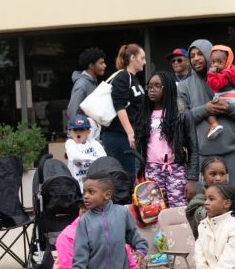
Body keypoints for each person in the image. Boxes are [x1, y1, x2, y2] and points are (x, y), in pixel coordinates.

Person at [135, 71, 199, 207]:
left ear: (168, 88)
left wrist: (192, 179)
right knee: (153, 212)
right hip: (151, 170)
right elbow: (138, 148)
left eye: (157, 86)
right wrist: (138, 175)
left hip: (176, 169)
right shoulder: (144, 115)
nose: (152, 90)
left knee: (179, 211)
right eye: (150, 87)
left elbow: (193, 147)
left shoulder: (182, 114)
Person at [179, 39, 235, 185]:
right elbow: (180, 119)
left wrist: (228, 108)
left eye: (200, 54)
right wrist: (205, 109)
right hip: (201, 157)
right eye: (192, 55)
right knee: (206, 203)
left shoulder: (231, 78)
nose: (196, 58)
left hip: (232, 153)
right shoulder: (184, 86)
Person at [100, 44, 146, 184]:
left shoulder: (133, 78)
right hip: (118, 135)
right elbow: (119, 106)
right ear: (133, 58)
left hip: (126, 135)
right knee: (125, 178)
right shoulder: (123, 76)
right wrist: (130, 133)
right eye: (142, 58)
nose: (144, 62)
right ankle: (123, 206)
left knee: (130, 176)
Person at [65, 115, 106, 191]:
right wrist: (95, 160)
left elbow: (104, 159)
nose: (78, 132)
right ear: (70, 132)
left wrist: (87, 160)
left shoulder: (94, 143)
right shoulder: (70, 143)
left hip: (95, 186)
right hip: (77, 187)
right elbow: (75, 156)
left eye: (81, 129)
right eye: (75, 130)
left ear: (88, 131)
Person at [67, 47, 107, 120]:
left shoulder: (93, 82)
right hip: (84, 129)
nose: (105, 65)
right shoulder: (82, 84)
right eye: (101, 63)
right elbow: (73, 111)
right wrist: (79, 128)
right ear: (91, 66)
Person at [205, 45, 235, 140]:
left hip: (225, 98)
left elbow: (216, 85)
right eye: (213, 62)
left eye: (219, 62)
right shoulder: (232, 71)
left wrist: (211, 74)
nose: (216, 65)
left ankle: (214, 125)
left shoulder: (224, 74)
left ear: (228, 62)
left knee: (209, 112)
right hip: (232, 98)